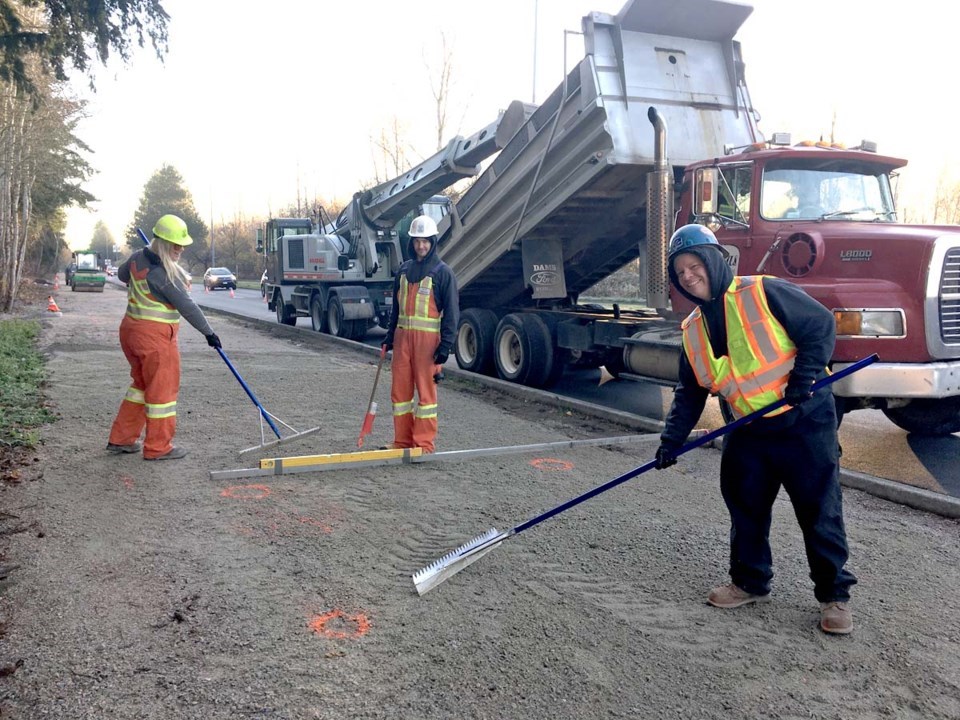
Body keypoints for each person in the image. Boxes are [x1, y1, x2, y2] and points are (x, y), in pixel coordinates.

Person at [654, 223, 856, 635]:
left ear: (712, 261)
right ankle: (750, 581)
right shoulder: (693, 329)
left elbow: (820, 326)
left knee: (819, 511)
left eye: (694, 265)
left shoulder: (762, 292)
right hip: (748, 430)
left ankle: (834, 595)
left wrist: (804, 378)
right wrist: (671, 442)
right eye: (680, 272)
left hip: (804, 422)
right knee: (744, 506)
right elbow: (690, 392)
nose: (689, 276)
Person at [107, 214, 222, 461]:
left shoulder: (139, 257)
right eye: (176, 244)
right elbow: (188, 306)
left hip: (130, 333)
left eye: (182, 245)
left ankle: (121, 439)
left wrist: (144, 254)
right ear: (163, 243)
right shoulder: (165, 275)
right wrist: (209, 333)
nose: (180, 249)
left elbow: (123, 274)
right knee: (162, 392)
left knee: (141, 387)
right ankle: (158, 447)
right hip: (154, 339)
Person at [380, 214, 458, 454]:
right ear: (411, 242)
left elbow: (453, 313)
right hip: (403, 341)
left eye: (425, 241)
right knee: (400, 394)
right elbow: (396, 309)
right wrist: (389, 336)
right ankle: (402, 441)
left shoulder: (443, 273)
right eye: (417, 241)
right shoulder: (403, 271)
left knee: (426, 395)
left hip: (427, 345)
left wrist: (446, 346)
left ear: (433, 242)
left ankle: (423, 444)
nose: (421, 246)